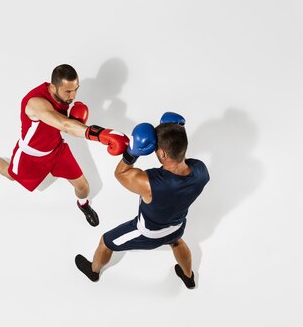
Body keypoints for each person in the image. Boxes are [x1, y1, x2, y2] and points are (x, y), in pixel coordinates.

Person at [0, 64, 129, 226]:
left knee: (84, 187)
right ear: (52, 87)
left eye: (76, 89)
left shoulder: (62, 93)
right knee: (10, 175)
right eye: (68, 92)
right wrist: (100, 134)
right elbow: (64, 125)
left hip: (57, 150)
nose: (73, 96)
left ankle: (83, 204)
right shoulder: (36, 103)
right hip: (31, 155)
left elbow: (65, 126)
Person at [74, 112, 210, 288]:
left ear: (161, 152)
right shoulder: (202, 171)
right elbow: (181, 160)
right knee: (177, 242)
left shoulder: (151, 183)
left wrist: (132, 152)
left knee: (105, 242)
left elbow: (120, 173)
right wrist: (174, 133)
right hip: (177, 225)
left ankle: (93, 271)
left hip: (148, 233)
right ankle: (189, 277)